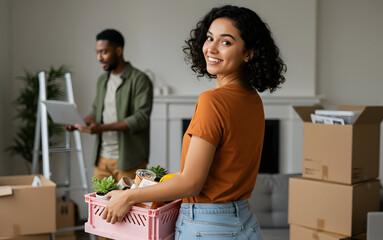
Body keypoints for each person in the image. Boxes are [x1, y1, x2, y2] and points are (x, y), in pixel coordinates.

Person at [102, 5, 286, 239]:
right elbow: (215, 171)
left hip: (207, 227)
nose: (211, 48)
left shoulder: (213, 101)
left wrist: (127, 197)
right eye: (209, 38)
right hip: (245, 223)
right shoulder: (253, 100)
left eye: (226, 42)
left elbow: (192, 184)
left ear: (249, 53)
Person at [67, 29, 153, 183]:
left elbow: (141, 119)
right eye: (97, 52)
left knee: (129, 206)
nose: (99, 57)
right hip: (101, 159)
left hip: (129, 160)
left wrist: (102, 128)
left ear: (118, 50)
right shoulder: (102, 80)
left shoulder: (140, 79)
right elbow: (96, 111)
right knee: (100, 206)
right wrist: (79, 121)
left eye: (104, 52)